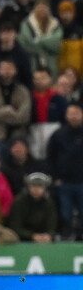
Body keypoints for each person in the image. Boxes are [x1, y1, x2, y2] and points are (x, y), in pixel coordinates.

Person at [46, 102, 83, 239]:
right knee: (65, 214)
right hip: (64, 183)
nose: (74, 117)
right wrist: (55, 178)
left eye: (76, 113)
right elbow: (50, 158)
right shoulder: (58, 135)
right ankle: (65, 239)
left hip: (81, 183)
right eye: (71, 113)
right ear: (66, 115)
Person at [0, 58, 32, 147]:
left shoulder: (23, 91)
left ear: (15, 71)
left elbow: (24, 117)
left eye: (10, 68)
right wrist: (7, 111)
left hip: (18, 138)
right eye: (4, 68)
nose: (7, 71)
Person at [7, 172, 57, 243]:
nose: (36, 189)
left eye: (40, 186)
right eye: (33, 186)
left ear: (45, 188)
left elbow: (52, 224)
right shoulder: (19, 201)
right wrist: (32, 236)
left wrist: (49, 235)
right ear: (28, 187)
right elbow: (15, 226)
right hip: (22, 240)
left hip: (44, 239)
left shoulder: (49, 202)